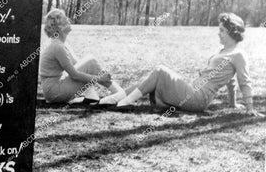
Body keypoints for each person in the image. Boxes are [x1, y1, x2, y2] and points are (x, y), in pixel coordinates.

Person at [100, 12, 262, 115]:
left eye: (221, 30)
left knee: (160, 70)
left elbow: (244, 82)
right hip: (193, 91)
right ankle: (115, 98)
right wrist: (233, 104)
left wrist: (250, 108)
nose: (218, 33)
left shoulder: (238, 54)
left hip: (198, 99)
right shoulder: (223, 52)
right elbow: (230, 82)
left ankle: (124, 103)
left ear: (231, 32)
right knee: (154, 75)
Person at [39, 8, 125, 103]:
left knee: (90, 62)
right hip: (54, 92)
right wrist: (99, 79)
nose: (69, 20)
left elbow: (79, 65)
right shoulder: (58, 46)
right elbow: (75, 75)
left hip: (55, 88)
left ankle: (93, 96)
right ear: (59, 27)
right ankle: (119, 93)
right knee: (90, 62)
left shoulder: (61, 44)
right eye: (65, 20)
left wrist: (99, 76)